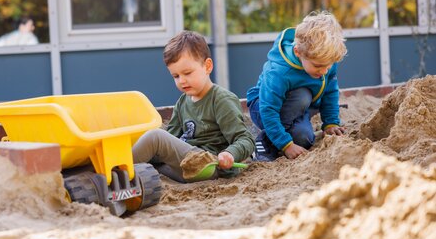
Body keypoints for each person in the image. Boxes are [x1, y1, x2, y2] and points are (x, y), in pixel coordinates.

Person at [132, 30, 255, 182]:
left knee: (155, 137)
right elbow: (171, 139)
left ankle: (113, 172)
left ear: (207, 66)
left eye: (187, 73)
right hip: (183, 167)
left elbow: (245, 139)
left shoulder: (221, 99)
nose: (182, 81)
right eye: (176, 76)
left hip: (208, 166)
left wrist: (230, 154)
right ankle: (116, 168)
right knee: (145, 142)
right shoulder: (183, 102)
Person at [246, 10, 348, 162]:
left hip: (297, 110)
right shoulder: (279, 71)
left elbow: (330, 91)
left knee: (304, 139)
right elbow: (268, 110)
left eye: (329, 65)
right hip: (262, 107)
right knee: (303, 96)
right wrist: (286, 145)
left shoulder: (325, 62)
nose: (324, 71)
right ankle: (264, 140)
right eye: (318, 66)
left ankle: (276, 136)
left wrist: (330, 122)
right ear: (298, 52)